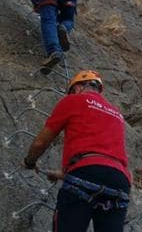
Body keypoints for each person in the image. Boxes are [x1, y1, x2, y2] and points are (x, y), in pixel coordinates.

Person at [23, 70, 131, 232]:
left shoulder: (73, 101)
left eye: (72, 91)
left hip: (85, 175)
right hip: (120, 182)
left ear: (78, 87)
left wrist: (29, 162)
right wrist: (63, 174)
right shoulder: (116, 113)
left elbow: (40, 142)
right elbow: (102, 160)